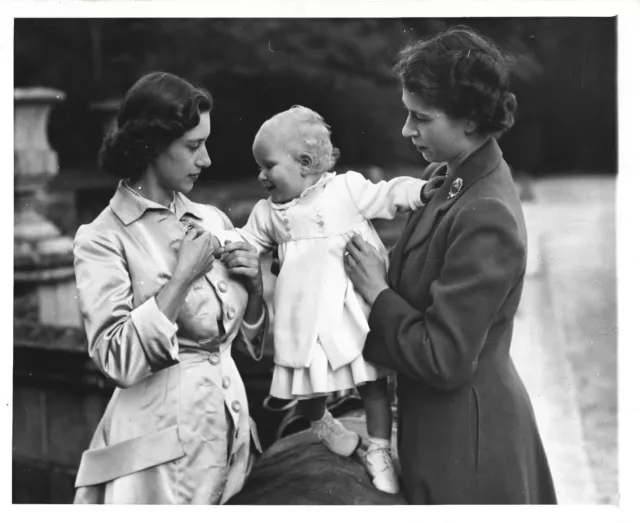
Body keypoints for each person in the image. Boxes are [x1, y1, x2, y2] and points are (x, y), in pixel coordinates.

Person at [344, 26, 558, 504]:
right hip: (441, 432)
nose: (406, 130)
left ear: (468, 119)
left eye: (421, 118)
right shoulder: (450, 178)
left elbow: (444, 358)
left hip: (469, 450)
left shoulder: (487, 213)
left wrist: (377, 293)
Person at [212, 105, 444, 495]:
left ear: (304, 163)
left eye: (268, 166)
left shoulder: (346, 190)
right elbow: (246, 239)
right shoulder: (268, 214)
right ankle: (320, 423)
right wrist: (220, 241)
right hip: (304, 315)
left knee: (372, 381)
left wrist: (419, 192)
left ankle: (379, 449)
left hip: (349, 306)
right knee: (305, 381)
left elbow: (387, 194)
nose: (261, 176)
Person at [72, 72, 269, 504]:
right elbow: (115, 360)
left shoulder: (214, 220)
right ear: (152, 144)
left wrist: (255, 289)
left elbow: (243, 344)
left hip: (229, 441)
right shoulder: (103, 238)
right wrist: (180, 279)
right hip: (155, 468)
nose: (207, 161)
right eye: (194, 146)